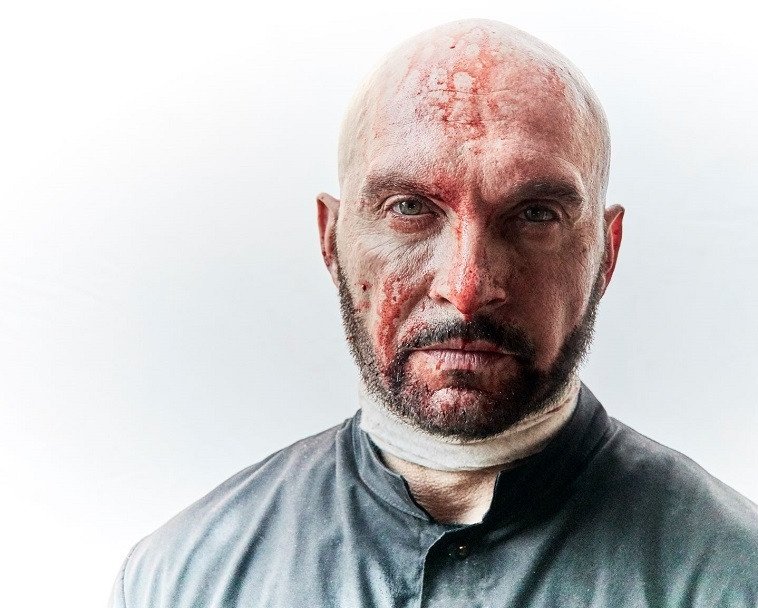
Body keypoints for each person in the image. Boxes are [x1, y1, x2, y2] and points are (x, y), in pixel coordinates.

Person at [109, 19, 758, 607]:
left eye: (535, 214)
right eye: (410, 209)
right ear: (332, 241)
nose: (467, 288)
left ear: (606, 254)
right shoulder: (178, 582)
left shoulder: (736, 575)